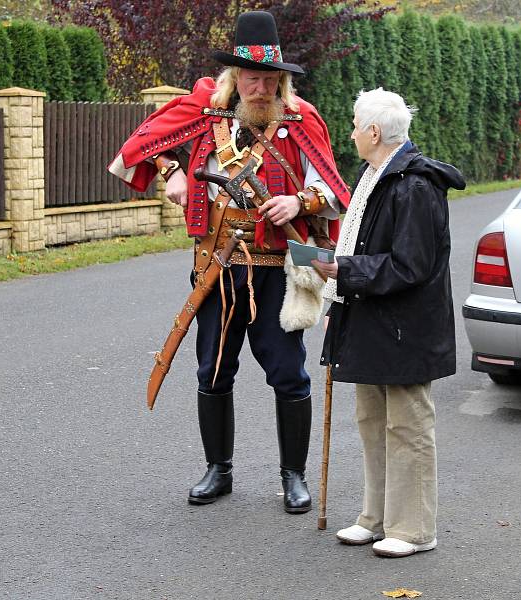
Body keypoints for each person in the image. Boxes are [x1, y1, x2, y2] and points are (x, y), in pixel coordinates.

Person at [109, 11, 350, 513]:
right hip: (216, 269)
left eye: (269, 79)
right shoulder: (206, 112)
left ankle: (293, 477)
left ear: (281, 81)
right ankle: (218, 470)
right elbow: (141, 145)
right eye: (251, 78)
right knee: (212, 370)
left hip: (276, 270)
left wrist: (299, 203)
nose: (260, 88)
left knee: (289, 373)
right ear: (234, 78)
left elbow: (333, 191)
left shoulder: (302, 120)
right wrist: (170, 168)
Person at [313, 88, 465, 557]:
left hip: (405, 328)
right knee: (372, 420)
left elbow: (410, 265)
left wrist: (343, 271)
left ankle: (415, 529)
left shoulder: (414, 185)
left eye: (356, 125)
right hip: (371, 319)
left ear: (374, 132)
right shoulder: (375, 174)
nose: (352, 132)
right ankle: (375, 518)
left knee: (408, 427)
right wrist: (338, 292)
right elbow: (359, 246)